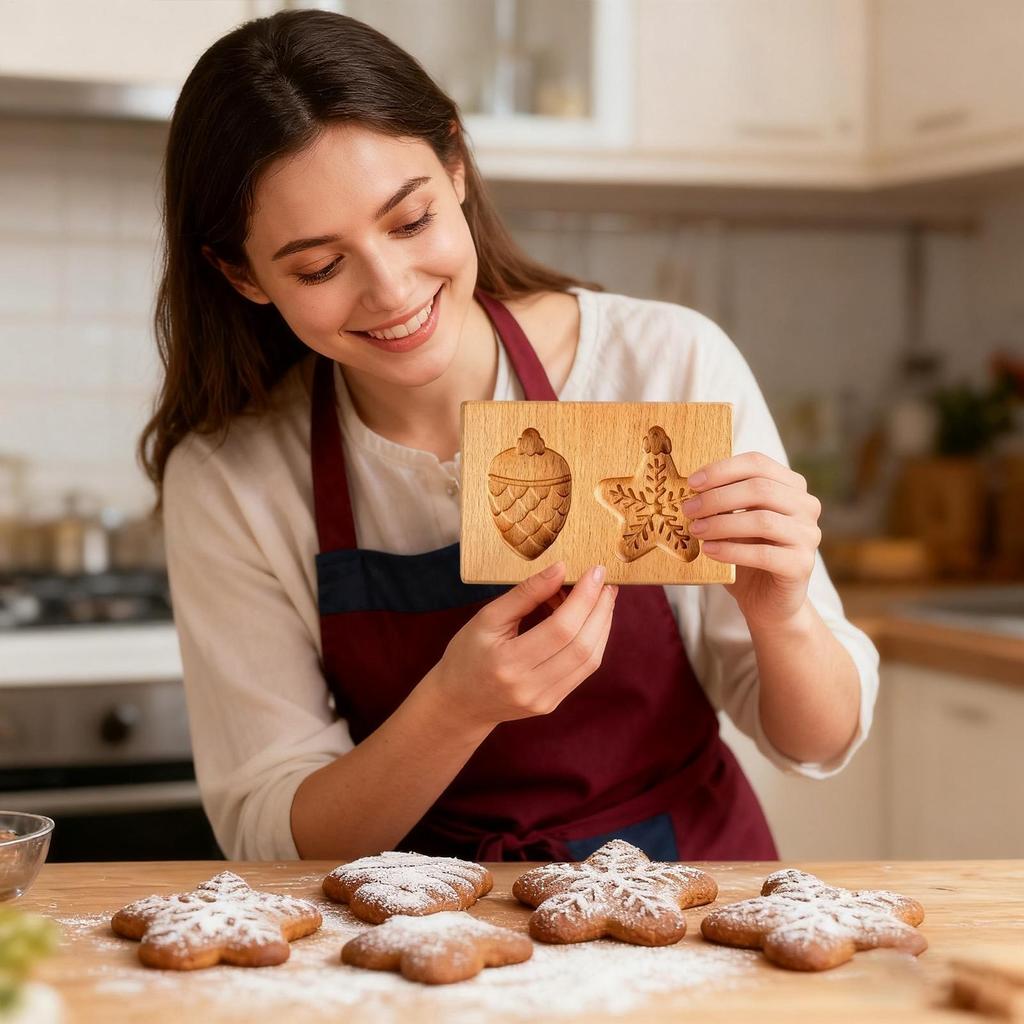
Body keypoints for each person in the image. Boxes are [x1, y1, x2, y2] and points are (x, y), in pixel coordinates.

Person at [142, 9, 878, 863]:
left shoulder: (661, 364)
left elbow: (818, 743)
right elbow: (269, 839)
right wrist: (456, 707)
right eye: (319, 266)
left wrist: (782, 613)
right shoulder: (235, 479)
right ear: (242, 274)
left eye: (410, 222)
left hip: (691, 904)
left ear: (455, 165)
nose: (390, 290)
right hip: (421, 938)